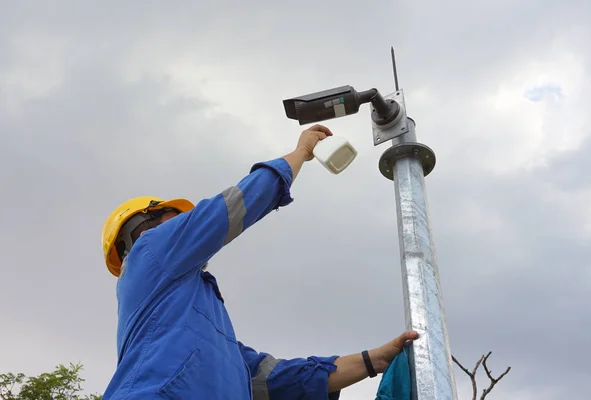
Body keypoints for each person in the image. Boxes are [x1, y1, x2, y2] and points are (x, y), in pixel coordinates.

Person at [101, 124, 419, 399]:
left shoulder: (208, 332)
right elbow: (232, 208)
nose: (183, 224)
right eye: (174, 218)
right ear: (139, 228)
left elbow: (279, 379)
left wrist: (374, 360)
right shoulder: (148, 251)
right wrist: (301, 153)